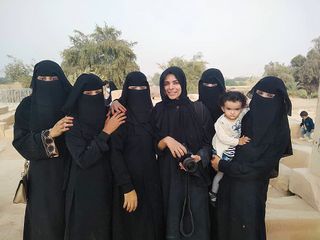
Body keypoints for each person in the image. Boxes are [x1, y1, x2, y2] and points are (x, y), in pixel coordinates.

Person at [211, 76, 292, 240]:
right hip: (228, 189)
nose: (263, 99)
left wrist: (223, 166)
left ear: (279, 101)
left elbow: (259, 169)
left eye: (269, 96)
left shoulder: (280, 132)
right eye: (259, 93)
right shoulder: (245, 118)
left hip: (251, 195)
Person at [12, 60, 73, 240]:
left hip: (72, 171)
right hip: (42, 179)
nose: (48, 81)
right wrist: (50, 134)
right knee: (45, 225)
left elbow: (94, 107)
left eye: (52, 77)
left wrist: (115, 102)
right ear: (35, 80)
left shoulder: (71, 103)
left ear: (60, 79)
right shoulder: (27, 106)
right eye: (43, 78)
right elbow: (20, 141)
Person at [151, 66, 213, 240]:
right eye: (166, 84)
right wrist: (166, 140)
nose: (171, 87)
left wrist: (199, 156)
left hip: (195, 176)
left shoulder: (199, 110)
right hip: (168, 178)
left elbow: (209, 144)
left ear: (183, 84)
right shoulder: (157, 111)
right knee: (172, 223)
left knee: (197, 225)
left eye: (175, 82)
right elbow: (150, 145)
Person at [62, 73, 126, 240]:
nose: (93, 97)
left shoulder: (107, 112)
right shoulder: (72, 123)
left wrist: (115, 101)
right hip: (83, 189)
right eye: (88, 94)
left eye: (97, 93)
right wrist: (105, 132)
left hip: (107, 184)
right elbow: (83, 159)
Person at [110, 71, 163, 240]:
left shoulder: (153, 114)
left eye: (142, 88)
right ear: (127, 90)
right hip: (128, 184)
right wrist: (127, 187)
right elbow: (115, 154)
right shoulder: (119, 116)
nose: (138, 91)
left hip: (152, 182)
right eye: (133, 88)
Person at [209, 91, 250, 206]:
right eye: (229, 109)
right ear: (223, 108)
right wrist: (238, 141)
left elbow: (249, 108)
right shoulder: (220, 122)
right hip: (222, 150)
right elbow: (223, 138)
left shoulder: (241, 114)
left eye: (236, 109)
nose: (232, 112)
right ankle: (213, 193)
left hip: (232, 148)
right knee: (221, 174)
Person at [198, 68, 226, 136]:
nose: (210, 88)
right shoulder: (195, 108)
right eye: (206, 85)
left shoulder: (231, 108)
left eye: (214, 85)